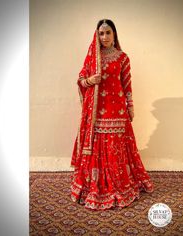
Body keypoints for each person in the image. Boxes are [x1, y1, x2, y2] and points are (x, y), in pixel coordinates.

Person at [70, 19, 153, 210]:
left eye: (108, 33)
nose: (104, 37)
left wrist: (130, 106)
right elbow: (81, 80)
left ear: (114, 34)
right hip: (97, 112)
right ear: (97, 35)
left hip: (117, 110)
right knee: (98, 145)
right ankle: (95, 185)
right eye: (101, 33)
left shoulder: (123, 58)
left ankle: (120, 184)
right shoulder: (92, 57)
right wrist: (90, 80)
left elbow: (127, 85)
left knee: (117, 147)